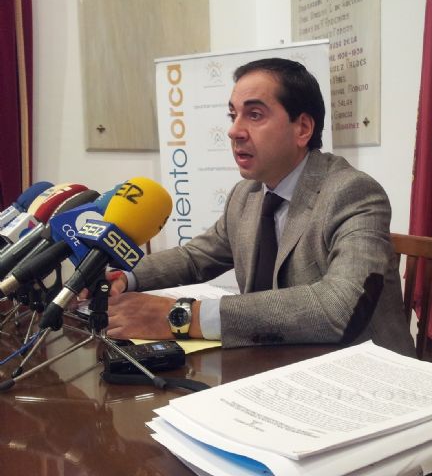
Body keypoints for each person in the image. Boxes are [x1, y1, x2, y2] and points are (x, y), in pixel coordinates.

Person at [104, 58, 415, 357]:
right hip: (273, 362)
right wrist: (124, 277)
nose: (234, 131)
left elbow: (340, 307)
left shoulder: (352, 193)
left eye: (254, 115)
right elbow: (195, 258)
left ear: (302, 128)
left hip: (361, 373)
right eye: (233, 115)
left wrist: (186, 316)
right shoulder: (247, 194)